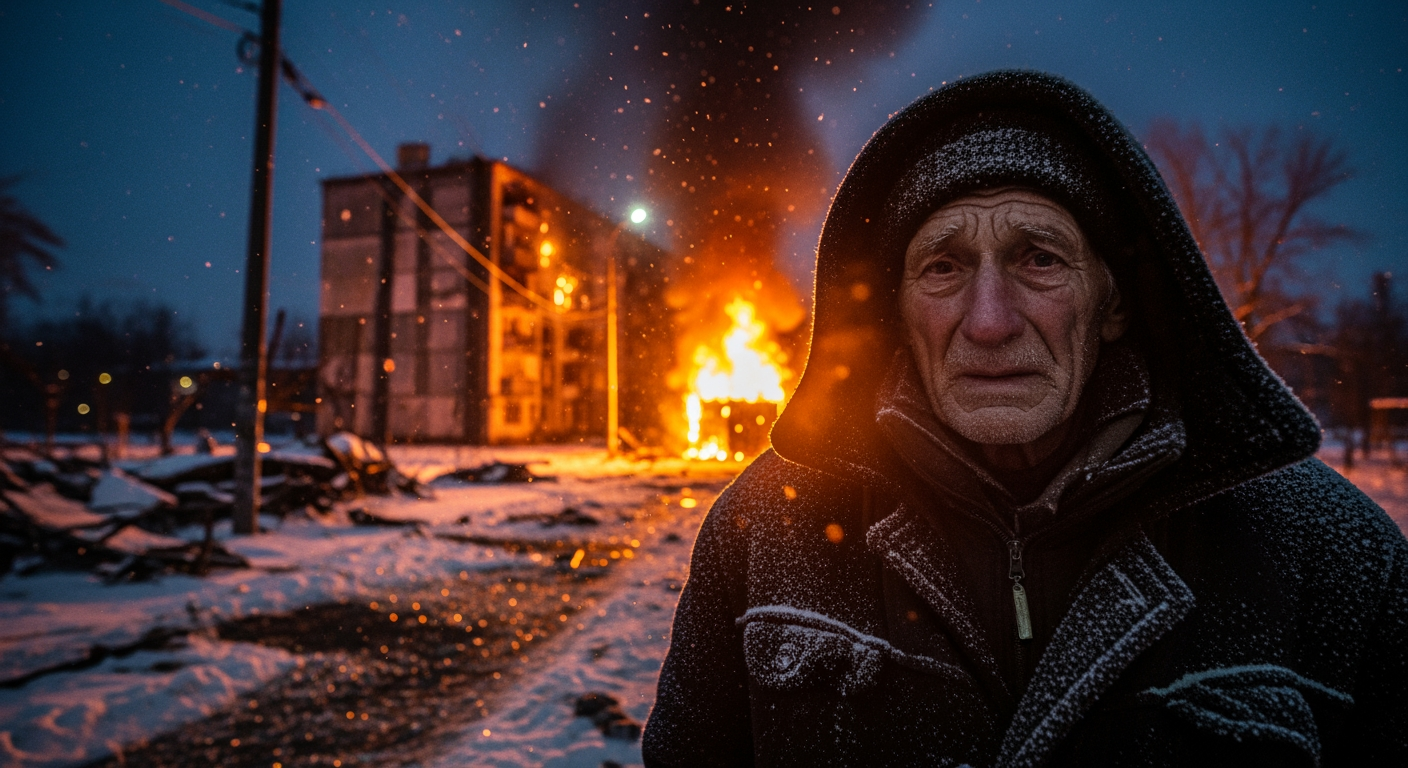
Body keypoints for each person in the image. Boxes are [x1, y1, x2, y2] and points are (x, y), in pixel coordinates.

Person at [642, 71, 1408, 766]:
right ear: (896, 314)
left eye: (1039, 258)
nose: (988, 322)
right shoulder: (764, 532)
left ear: (1113, 303)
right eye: (942, 267)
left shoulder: (1333, 555)